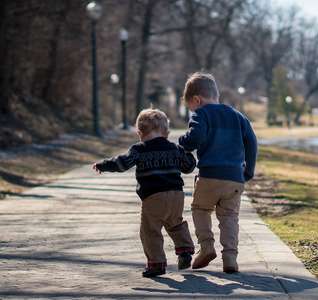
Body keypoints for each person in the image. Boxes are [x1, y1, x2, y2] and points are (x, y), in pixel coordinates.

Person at [93, 108, 196, 278]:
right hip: (176, 195)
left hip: (153, 196)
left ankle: (156, 263)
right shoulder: (175, 148)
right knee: (175, 223)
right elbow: (189, 167)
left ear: (139, 133)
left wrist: (103, 165)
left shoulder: (139, 150)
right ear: (167, 132)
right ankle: (185, 250)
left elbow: (122, 164)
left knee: (150, 230)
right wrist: (188, 154)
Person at [179, 72, 257, 273]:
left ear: (197, 100)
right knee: (230, 216)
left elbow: (195, 138)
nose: (192, 111)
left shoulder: (201, 114)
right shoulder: (238, 116)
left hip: (210, 175)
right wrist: (248, 171)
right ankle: (230, 258)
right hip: (234, 178)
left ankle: (206, 247)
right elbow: (252, 142)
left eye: (191, 108)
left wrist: (182, 142)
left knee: (200, 209)